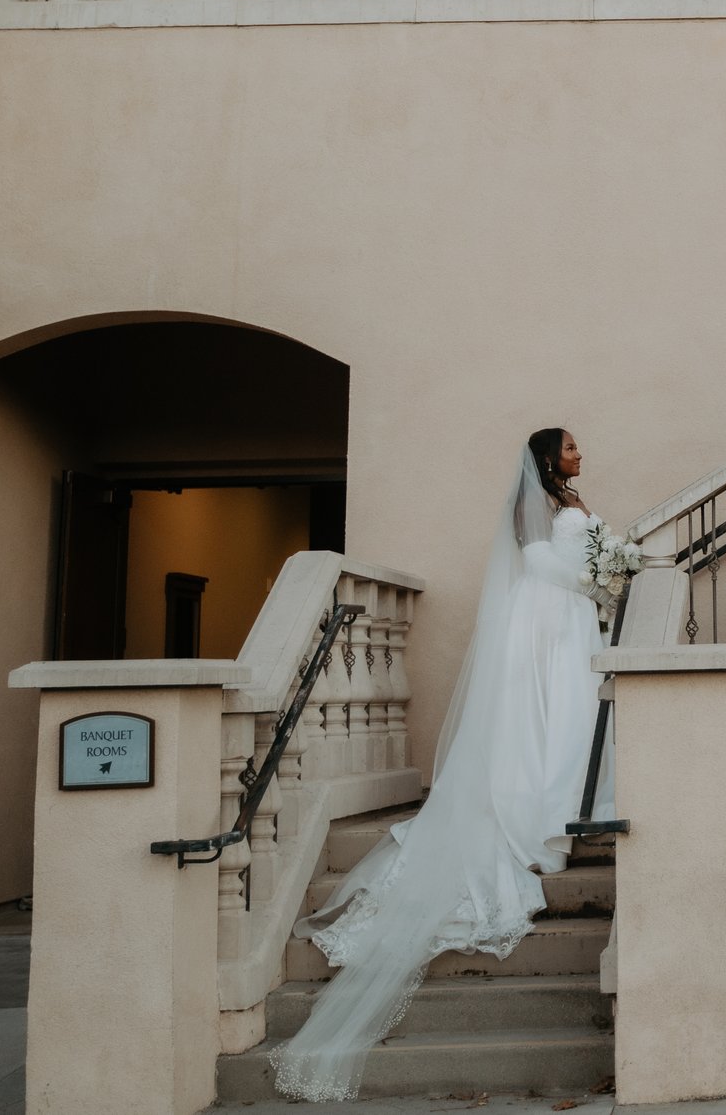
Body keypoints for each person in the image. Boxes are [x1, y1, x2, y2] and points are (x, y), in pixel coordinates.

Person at [272, 430, 612, 1102]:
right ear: (547, 457)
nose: (579, 452)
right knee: (541, 722)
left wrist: (600, 575)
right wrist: (598, 574)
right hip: (544, 619)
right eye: (569, 446)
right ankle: (533, 822)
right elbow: (538, 563)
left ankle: (561, 812)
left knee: (572, 723)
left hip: (571, 618)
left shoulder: (571, 497)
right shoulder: (528, 503)